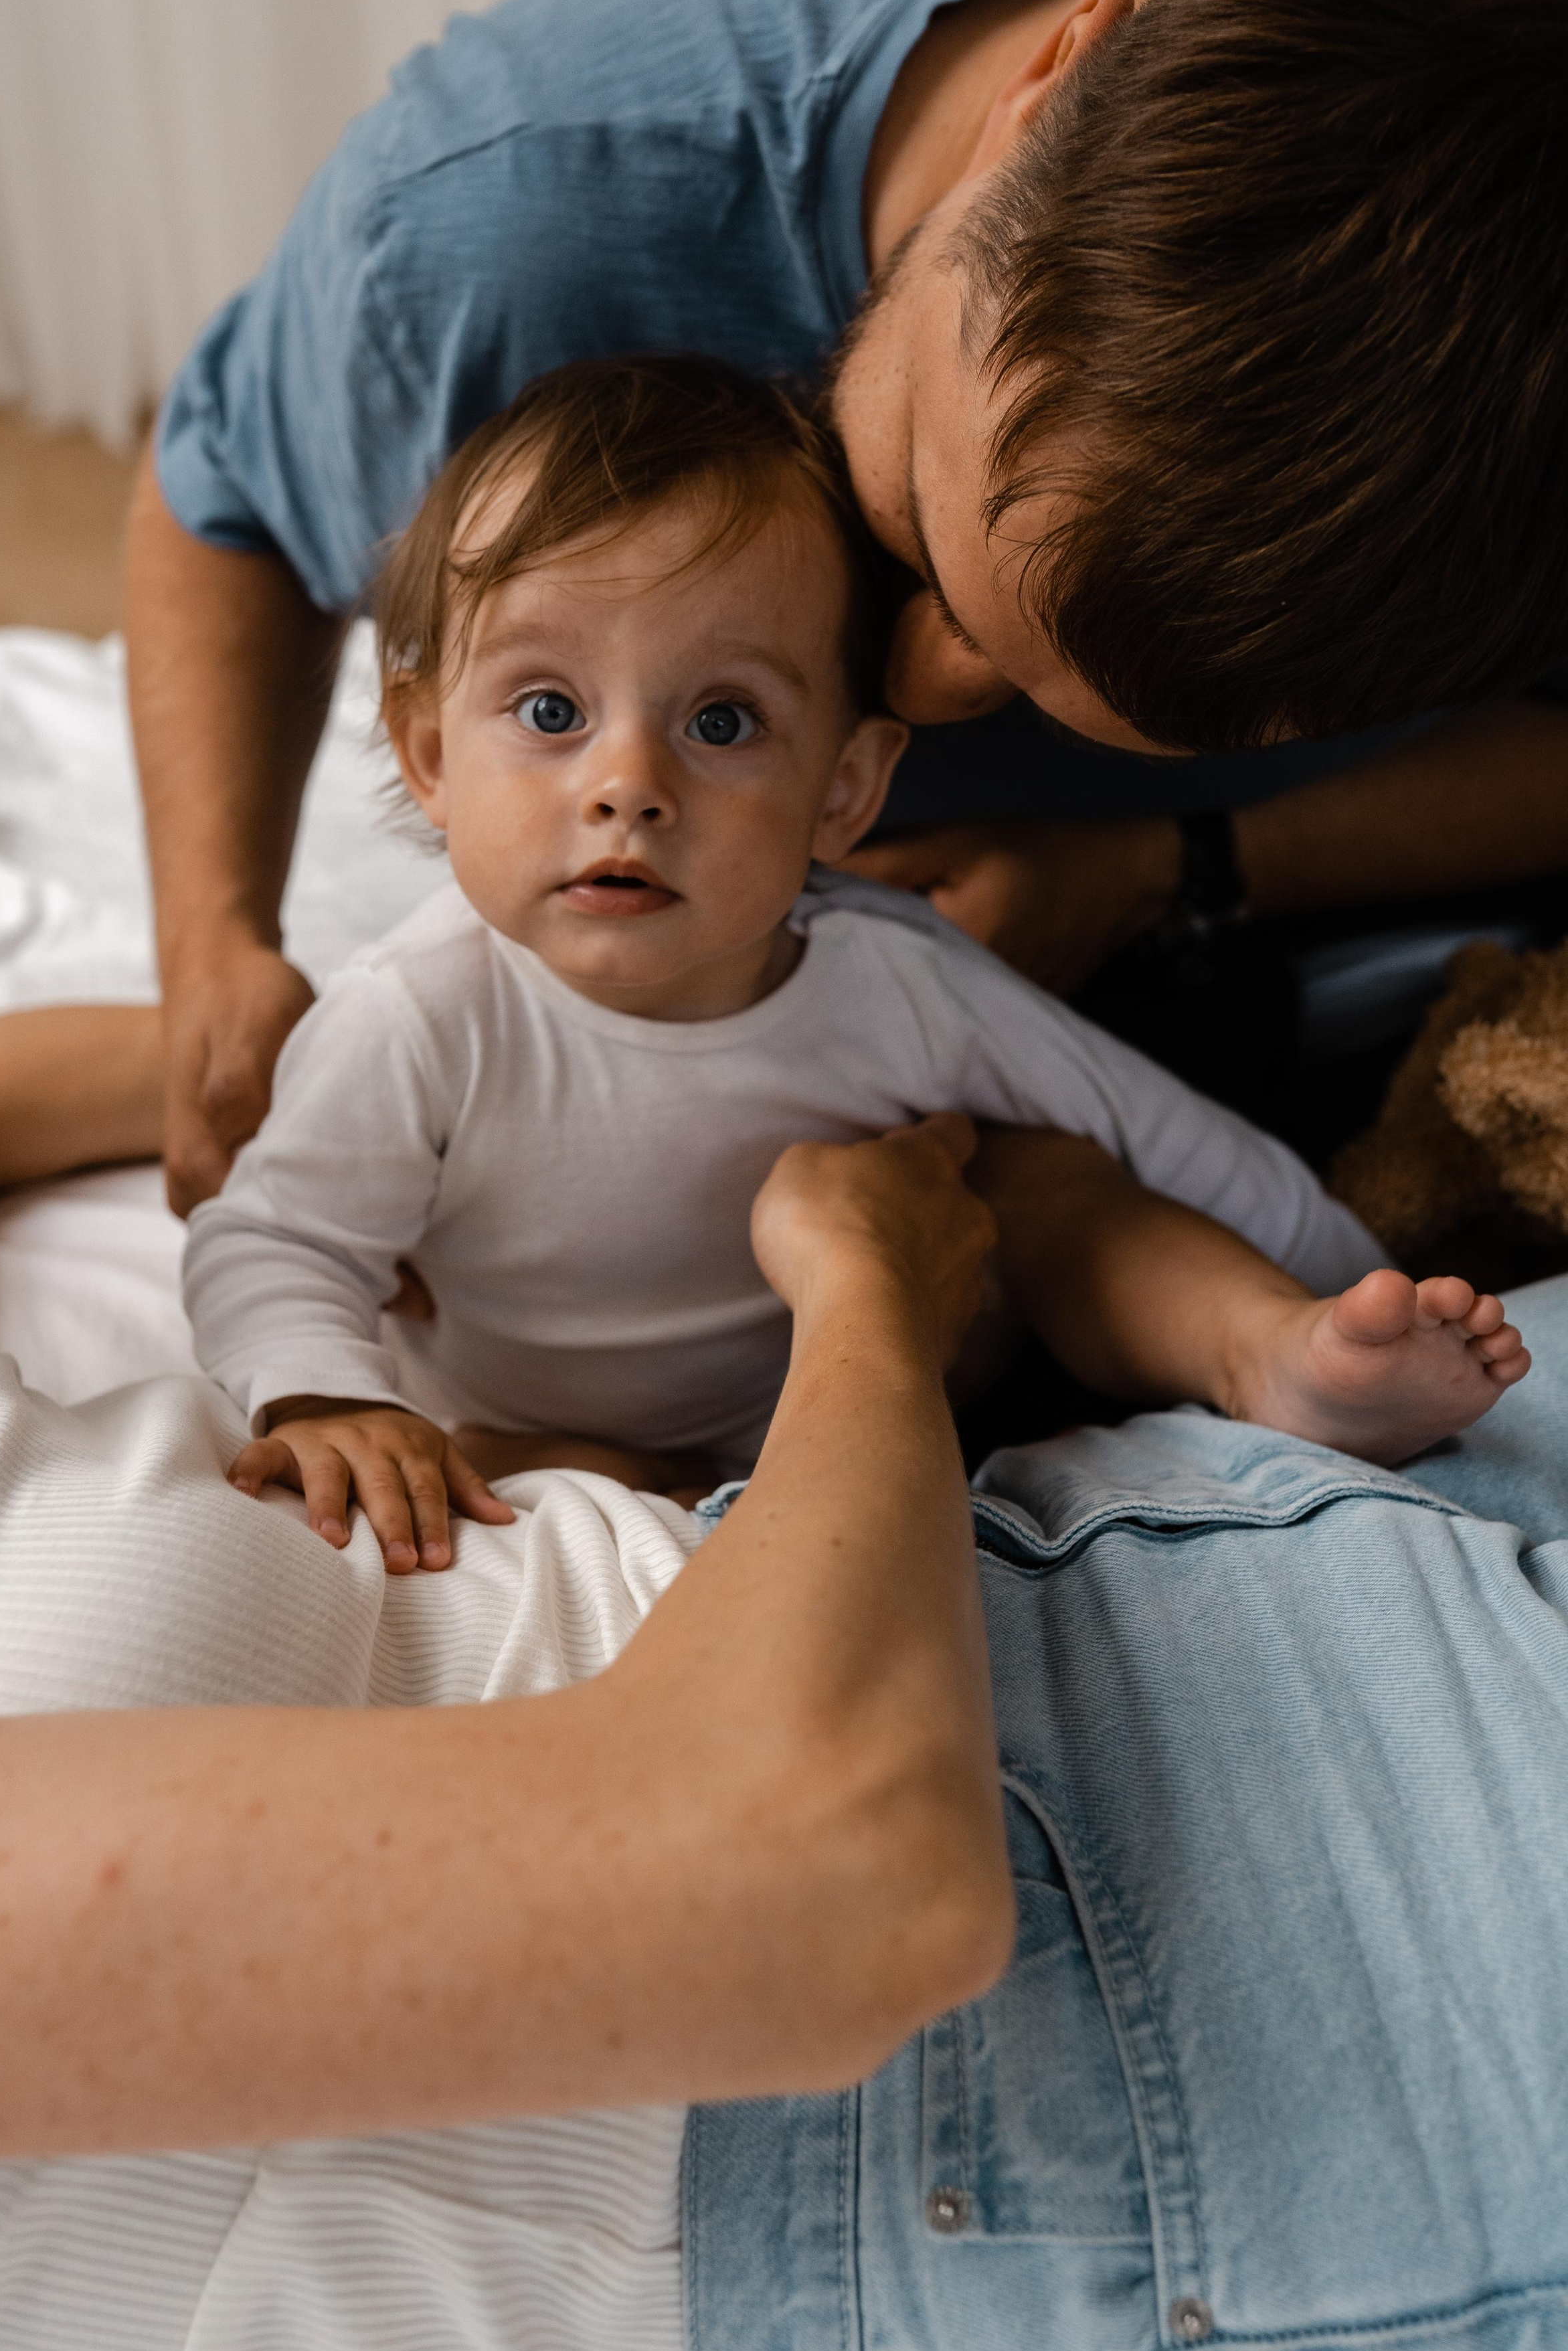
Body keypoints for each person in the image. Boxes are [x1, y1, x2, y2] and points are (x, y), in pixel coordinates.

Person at [0, 1054, 1568, 2351]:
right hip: (1075, 2109)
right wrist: (862, 1295)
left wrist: (496, 1045)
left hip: (1132, 1542)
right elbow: (812, 1886)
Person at [125, 0, 1568, 1215]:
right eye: (917, 534)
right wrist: (212, 944)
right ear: (1044, 92)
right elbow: (224, 492)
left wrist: (1167, 861)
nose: (907, 705)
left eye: (1088, 715)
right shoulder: (487, 237)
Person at [179, 353, 1525, 1569]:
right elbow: (274, 1241)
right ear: (428, 756)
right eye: (549, 709)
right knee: (488, 1477)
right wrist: (327, 1398)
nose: (627, 785)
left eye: (721, 721)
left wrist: (1352, 1268)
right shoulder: (418, 1016)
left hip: (874, 1390)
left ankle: (1269, 1355)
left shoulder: (895, 979)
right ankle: (664, 1502)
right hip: (550, 1426)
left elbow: (1147, 1126)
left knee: (1053, 1180)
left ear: (843, 790)